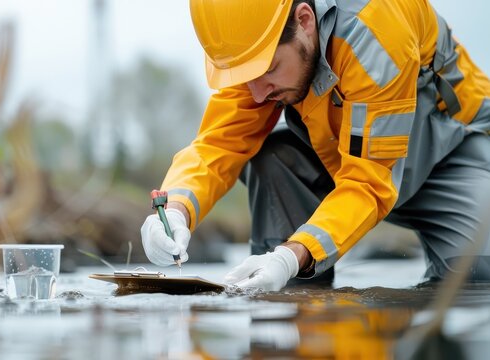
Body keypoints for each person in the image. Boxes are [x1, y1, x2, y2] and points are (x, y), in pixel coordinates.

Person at [140, 0, 490, 291]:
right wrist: (175, 209)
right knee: (273, 158)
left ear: (304, 20)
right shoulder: (251, 45)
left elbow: (368, 182)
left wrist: (292, 254)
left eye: (269, 69)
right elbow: (218, 143)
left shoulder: (377, 34)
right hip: (340, 160)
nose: (258, 94)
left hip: (450, 154)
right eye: (246, 78)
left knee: (475, 280)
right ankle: (281, 297)